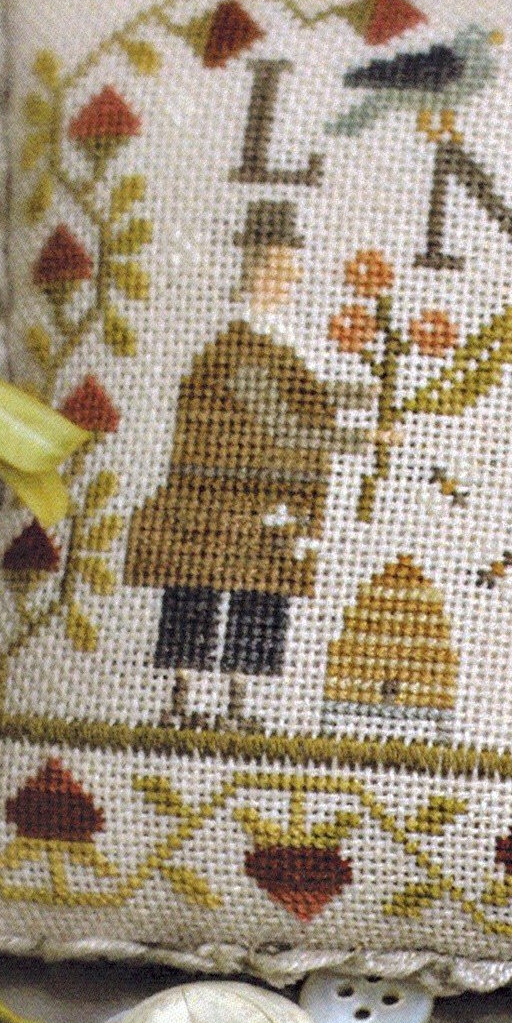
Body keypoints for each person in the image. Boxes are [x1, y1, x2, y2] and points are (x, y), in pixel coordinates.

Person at [124, 199, 377, 730]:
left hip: (264, 498)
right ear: (257, 269)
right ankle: (180, 701)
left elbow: (304, 396)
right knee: (197, 589)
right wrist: (362, 438)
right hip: (219, 497)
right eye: (283, 269)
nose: (292, 280)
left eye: (292, 269)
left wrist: (363, 395)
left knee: (257, 597)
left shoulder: (271, 340)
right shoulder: (237, 346)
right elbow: (282, 424)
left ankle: (235, 705)